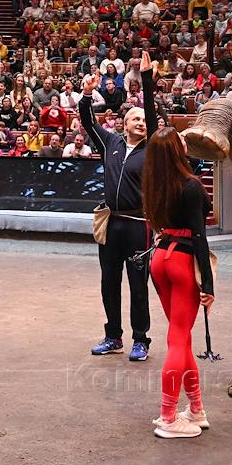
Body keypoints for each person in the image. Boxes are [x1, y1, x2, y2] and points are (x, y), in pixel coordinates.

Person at [80, 50, 158, 361]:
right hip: (111, 224)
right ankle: (113, 336)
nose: (141, 122)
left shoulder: (152, 147)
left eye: (143, 119)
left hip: (138, 225)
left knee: (138, 286)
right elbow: (87, 122)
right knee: (108, 282)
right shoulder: (111, 143)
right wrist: (87, 95)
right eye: (135, 119)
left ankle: (141, 339)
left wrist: (148, 81)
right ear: (124, 125)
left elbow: (151, 114)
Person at [143, 126, 214, 439]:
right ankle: (169, 417)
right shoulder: (191, 186)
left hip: (160, 258)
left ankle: (196, 409)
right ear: (175, 150)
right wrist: (208, 284)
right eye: (181, 140)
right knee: (178, 338)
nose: (186, 141)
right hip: (182, 261)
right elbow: (200, 236)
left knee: (180, 337)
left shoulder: (155, 184)